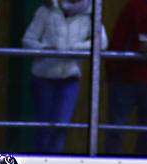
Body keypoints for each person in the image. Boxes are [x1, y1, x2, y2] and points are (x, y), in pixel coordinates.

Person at [22, 0, 107, 154]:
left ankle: (54, 163)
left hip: (69, 78)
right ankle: (40, 163)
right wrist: (45, 49)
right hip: (43, 77)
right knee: (43, 128)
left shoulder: (91, 14)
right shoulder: (46, 10)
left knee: (61, 126)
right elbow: (28, 40)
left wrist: (75, 49)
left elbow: (102, 42)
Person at [104, 0, 147, 156]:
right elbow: (118, 41)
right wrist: (112, 73)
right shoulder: (133, 7)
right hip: (125, 78)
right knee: (116, 129)